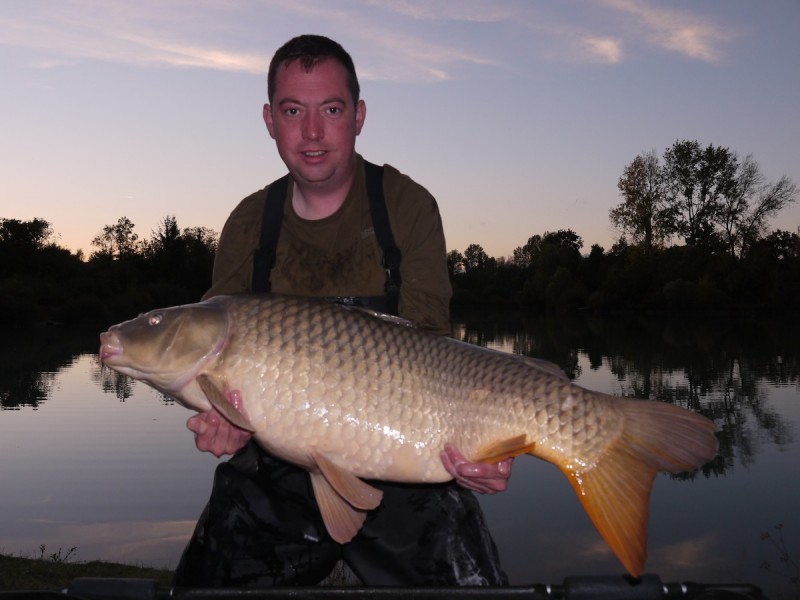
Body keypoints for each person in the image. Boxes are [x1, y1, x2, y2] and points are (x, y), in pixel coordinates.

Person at [173, 34, 513, 587]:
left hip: (400, 462)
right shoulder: (247, 224)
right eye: (293, 111)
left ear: (357, 116)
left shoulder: (407, 207)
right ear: (269, 120)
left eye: (330, 109)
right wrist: (223, 423)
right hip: (273, 469)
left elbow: (435, 360)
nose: (312, 133)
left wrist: (491, 445)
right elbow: (215, 364)